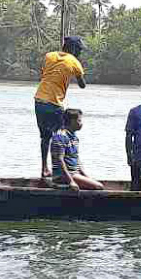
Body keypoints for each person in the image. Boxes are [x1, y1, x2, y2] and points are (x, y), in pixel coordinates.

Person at [34, 35, 87, 178]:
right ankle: (64, 170)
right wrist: (77, 71)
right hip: (54, 103)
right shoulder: (74, 62)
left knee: (45, 137)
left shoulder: (49, 56)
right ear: (73, 49)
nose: (80, 53)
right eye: (79, 50)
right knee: (63, 135)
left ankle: (45, 169)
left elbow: (45, 73)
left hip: (39, 100)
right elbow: (82, 85)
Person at [50, 109, 104, 191]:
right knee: (99, 187)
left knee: (95, 183)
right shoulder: (60, 136)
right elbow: (59, 160)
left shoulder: (74, 137)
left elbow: (76, 158)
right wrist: (71, 181)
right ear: (72, 121)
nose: (81, 123)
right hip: (63, 176)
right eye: (79, 120)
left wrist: (85, 176)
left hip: (74, 173)